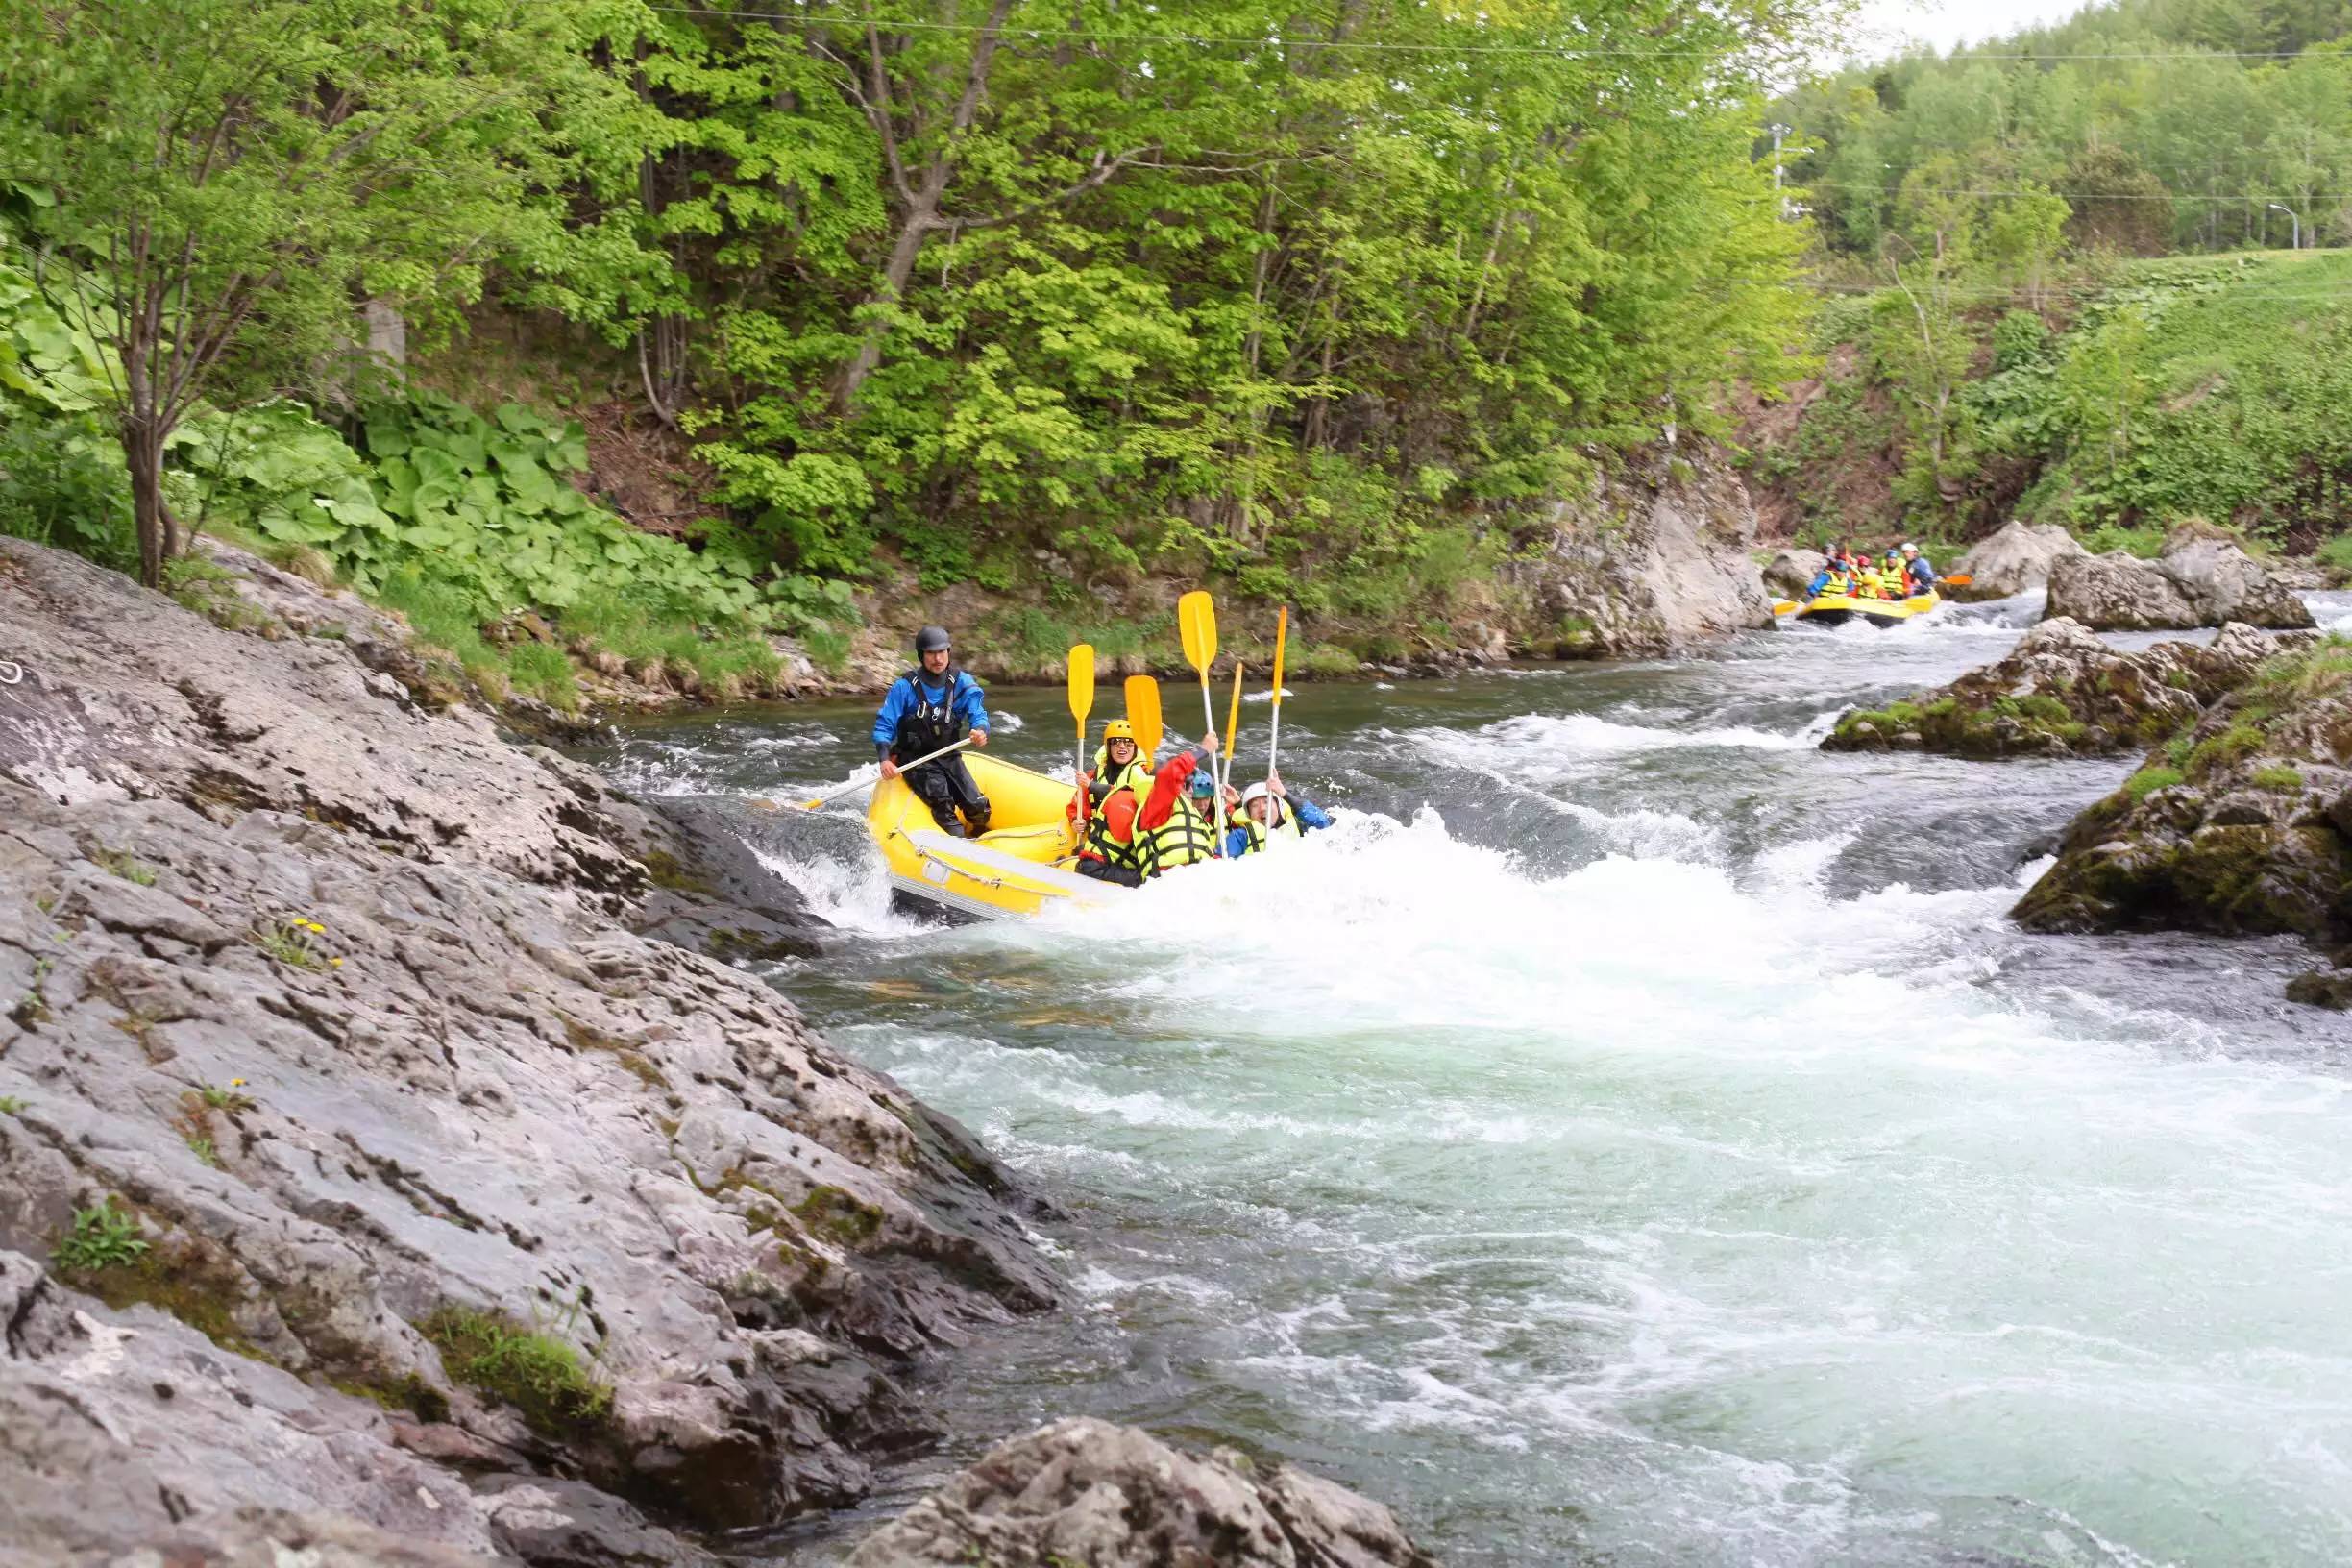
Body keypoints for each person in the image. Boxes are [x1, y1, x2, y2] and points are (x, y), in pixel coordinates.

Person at [871, 625, 991, 837]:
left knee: (979, 808)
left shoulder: (962, 683)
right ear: (921, 655)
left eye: (942, 652)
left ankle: (979, 835)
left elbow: (977, 713)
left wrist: (980, 729)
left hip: (949, 755)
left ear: (949, 652)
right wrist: (884, 759)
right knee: (944, 806)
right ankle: (960, 845)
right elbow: (884, 725)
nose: (937, 658)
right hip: (916, 760)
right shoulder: (904, 687)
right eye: (931, 653)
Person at [1068, 718, 1153, 886]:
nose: (1122, 747)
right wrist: (1076, 821)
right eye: (1116, 742)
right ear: (1108, 747)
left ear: (1135, 748)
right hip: (1101, 839)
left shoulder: (1143, 775)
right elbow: (1077, 805)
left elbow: (1125, 796)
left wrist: (1093, 786)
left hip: (1130, 844)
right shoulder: (1095, 773)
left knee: (1087, 867)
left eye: (1129, 743)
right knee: (1079, 857)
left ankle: (1139, 879)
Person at [1133, 729, 1224, 875]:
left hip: (1199, 876)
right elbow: (1167, 775)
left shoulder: (1193, 814)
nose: (1191, 790)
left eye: (1191, 784)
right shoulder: (1157, 806)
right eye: (1185, 784)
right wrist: (1203, 751)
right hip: (1166, 878)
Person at [1224, 773, 1334, 857]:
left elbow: (1323, 825)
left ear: (1279, 806)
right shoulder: (1241, 836)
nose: (1262, 808)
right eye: (1254, 806)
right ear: (1249, 814)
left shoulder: (1297, 824)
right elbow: (1220, 861)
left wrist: (1284, 794)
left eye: (1267, 802)